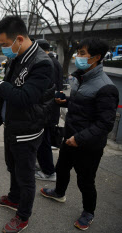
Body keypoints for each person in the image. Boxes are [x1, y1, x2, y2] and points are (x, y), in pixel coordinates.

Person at [0, 16, 53, 233]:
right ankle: (13, 198)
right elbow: (10, 90)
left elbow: (25, 97)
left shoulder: (42, 63)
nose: (3, 49)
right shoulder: (16, 56)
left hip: (28, 130)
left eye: (3, 44)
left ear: (19, 39)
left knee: (26, 175)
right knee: (12, 167)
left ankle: (23, 215)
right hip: (12, 124)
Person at [40, 38, 119, 231]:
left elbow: (105, 123)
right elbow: (82, 105)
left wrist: (80, 139)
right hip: (70, 136)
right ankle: (59, 192)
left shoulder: (106, 87)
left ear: (96, 57)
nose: (78, 57)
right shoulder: (80, 78)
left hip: (88, 145)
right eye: (78, 52)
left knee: (85, 181)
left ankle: (88, 212)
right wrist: (65, 101)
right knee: (62, 168)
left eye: (83, 53)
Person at [35, 39, 64, 182]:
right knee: (44, 140)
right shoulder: (55, 61)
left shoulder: (48, 62)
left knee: (43, 141)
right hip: (52, 108)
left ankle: (48, 171)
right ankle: (46, 168)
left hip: (47, 108)